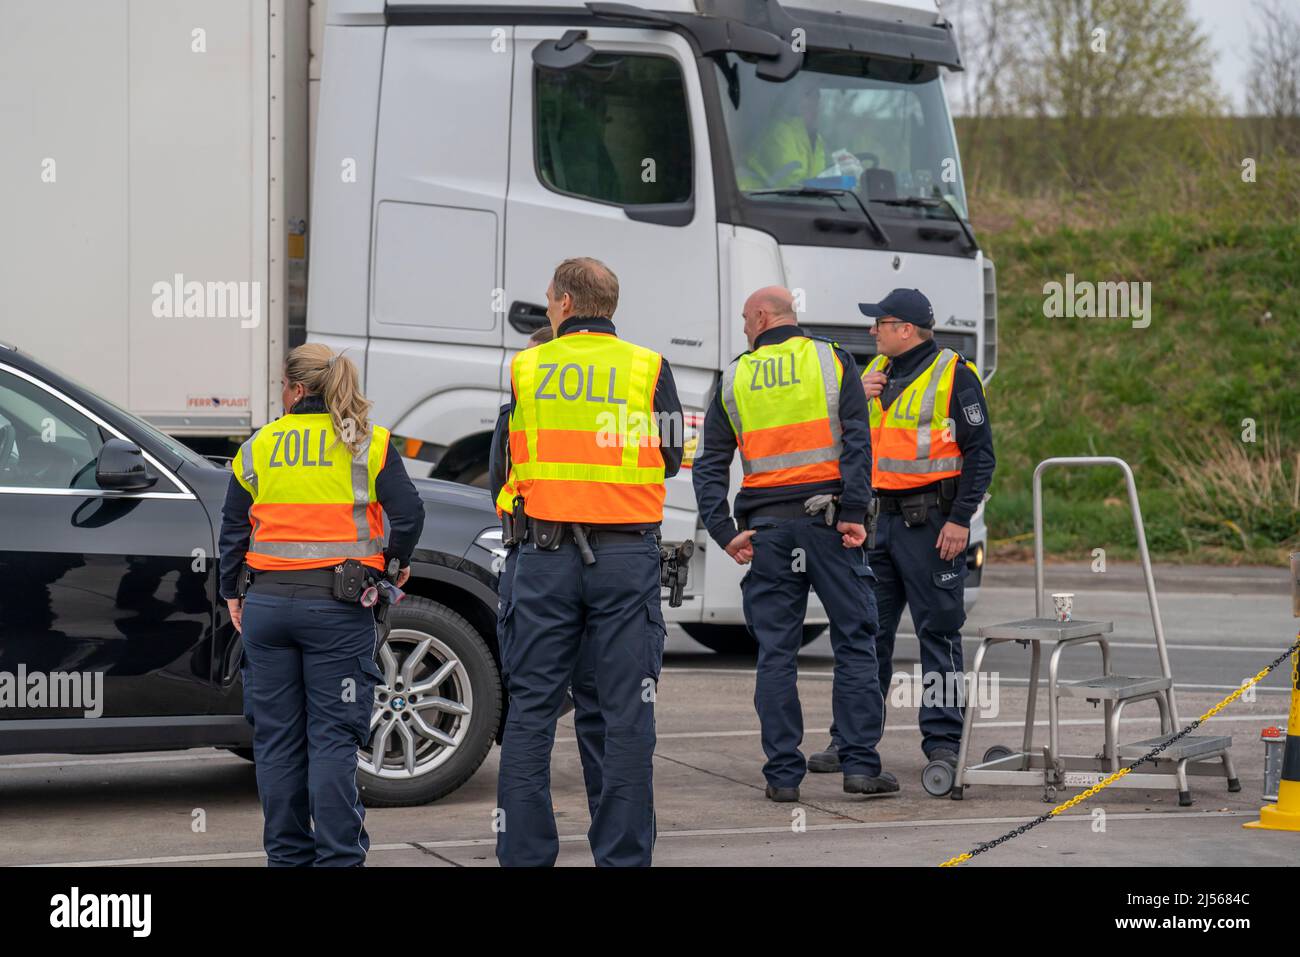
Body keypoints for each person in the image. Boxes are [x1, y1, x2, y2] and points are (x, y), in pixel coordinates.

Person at [495, 257, 683, 867]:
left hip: (544, 556)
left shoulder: (527, 368)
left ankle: (524, 856)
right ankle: (624, 858)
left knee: (532, 710)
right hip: (626, 557)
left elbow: (507, 455)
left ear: (568, 304)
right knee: (626, 711)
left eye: (550, 300)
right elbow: (673, 455)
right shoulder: (649, 368)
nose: (547, 309)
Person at [219, 343, 424, 866]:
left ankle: (287, 859)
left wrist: (231, 593)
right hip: (338, 609)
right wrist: (395, 563)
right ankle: (338, 859)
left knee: (278, 741)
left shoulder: (258, 446)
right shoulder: (367, 444)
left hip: (266, 607)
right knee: (331, 738)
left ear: (295, 389)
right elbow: (410, 512)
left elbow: (234, 529)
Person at [691, 286, 894, 802]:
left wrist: (722, 530)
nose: (742, 328)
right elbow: (857, 440)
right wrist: (853, 513)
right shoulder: (831, 360)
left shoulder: (736, 375)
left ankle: (783, 776)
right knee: (855, 639)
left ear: (762, 316)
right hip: (829, 526)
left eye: (743, 319)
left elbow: (710, 463)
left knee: (776, 653)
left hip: (768, 532)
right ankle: (859, 767)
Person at [808, 288, 995, 776]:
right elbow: (845, 446)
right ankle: (850, 741)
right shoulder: (872, 377)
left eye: (880, 323)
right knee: (866, 634)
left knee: (939, 634)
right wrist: (854, 398)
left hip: (932, 525)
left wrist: (960, 520)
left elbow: (981, 455)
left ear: (906, 329)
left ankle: (944, 742)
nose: (872, 331)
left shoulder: (954, 373)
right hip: (876, 524)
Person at [488, 324, 606, 820]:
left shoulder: (517, 414)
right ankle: (614, 832)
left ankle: (524, 845)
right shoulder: (595, 411)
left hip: (535, 563)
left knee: (532, 708)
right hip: (604, 565)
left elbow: (500, 483)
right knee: (601, 704)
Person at [738, 86, 827, 191]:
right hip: (748, 197)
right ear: (794, 100)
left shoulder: (815, 138)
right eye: (808, 95)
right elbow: (788, 181)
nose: (815, 103)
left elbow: (819, 177)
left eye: (817, 96)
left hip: (785, 203)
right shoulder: (778, 130)